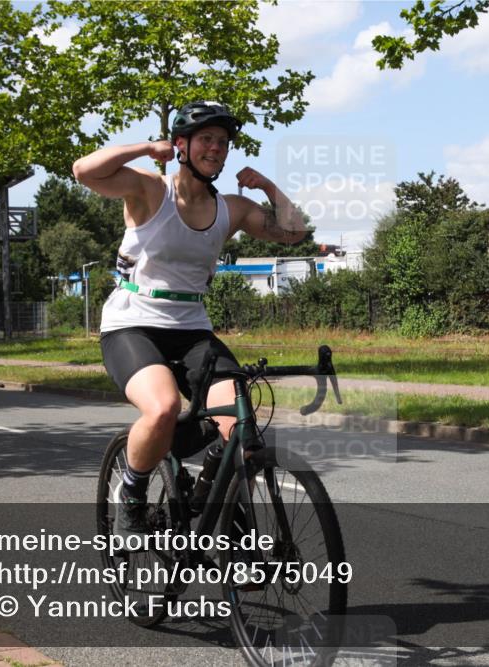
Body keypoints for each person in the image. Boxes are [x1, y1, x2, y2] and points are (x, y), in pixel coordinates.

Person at [72, 101, 307, 538]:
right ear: (182, 145)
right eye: (206, 140)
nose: (216, 149)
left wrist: (268, 186)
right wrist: (145, 148)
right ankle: (133, 495)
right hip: (132, 324)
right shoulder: (150, 190)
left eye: (222, 142)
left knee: (240, 423)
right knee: (163, 408)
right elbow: (84, 171)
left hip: (192, 328)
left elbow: (294, 232)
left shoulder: (231, 208)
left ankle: (216, 513)